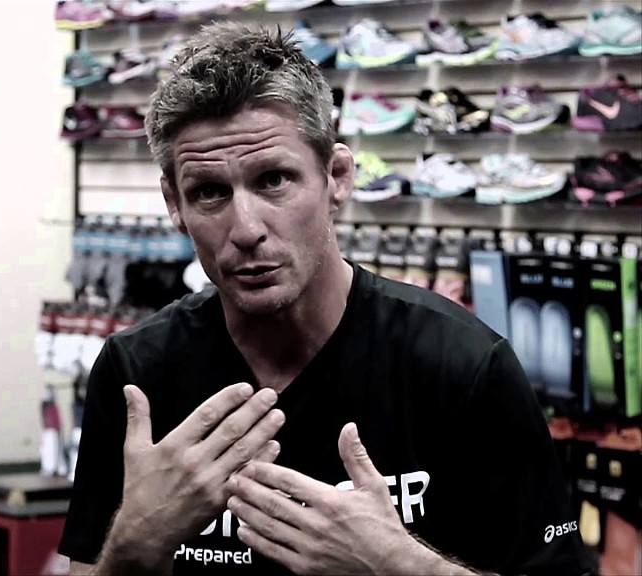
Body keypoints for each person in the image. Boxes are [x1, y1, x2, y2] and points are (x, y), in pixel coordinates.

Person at [57, 21, 590, 576]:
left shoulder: (462, 364)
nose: (246, 229)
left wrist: (397, 564)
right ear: (175, 203)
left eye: (273, 180)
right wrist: (133, 544)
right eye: (209, 192)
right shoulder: (136, 374)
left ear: (336, 176)